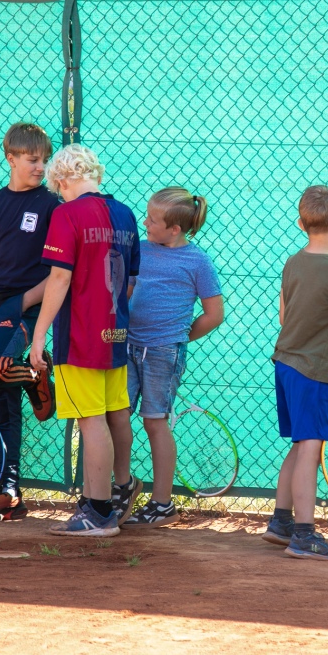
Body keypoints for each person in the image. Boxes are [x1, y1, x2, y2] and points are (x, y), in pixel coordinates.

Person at [30, 145, 142, 537]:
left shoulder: (66, 214)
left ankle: (99, 511)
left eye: (56, 186)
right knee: (117, 412)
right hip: (115, 332)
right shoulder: (125, 213)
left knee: (90, 419)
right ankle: (121, 489)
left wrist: (40, 333)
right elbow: (129, 282)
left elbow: (59, 279)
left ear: (62, 180)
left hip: (79, 335)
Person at [0, 122, 59, 522]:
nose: (40, 167)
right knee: (0, 391)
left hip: (27, 308)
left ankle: (38, 374)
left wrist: (23, 303)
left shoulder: (54, 205)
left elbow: (58, 272)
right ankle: (8, 490)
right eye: (33, 160)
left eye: (44, 160)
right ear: (11, 158)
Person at [263, 185, 328, 561]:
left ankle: (281, 522)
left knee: (300, 444)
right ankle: (303, 535)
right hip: (314, 372)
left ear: (302, 223)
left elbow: (285, 316)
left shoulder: (292, 262)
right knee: (310, 447)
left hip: (285, 365)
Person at [121, 188, 224, 527]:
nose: (145, 222)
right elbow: (129, 290)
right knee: (116, 415)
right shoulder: (141, 249)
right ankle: (121, 487)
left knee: (154, 421)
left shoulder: (197, 262)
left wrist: (179, 337)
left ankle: (162, 504)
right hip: (127, 346)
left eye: (153, 219)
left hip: (164, 353)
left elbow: (214, 313)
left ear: (175, 229)